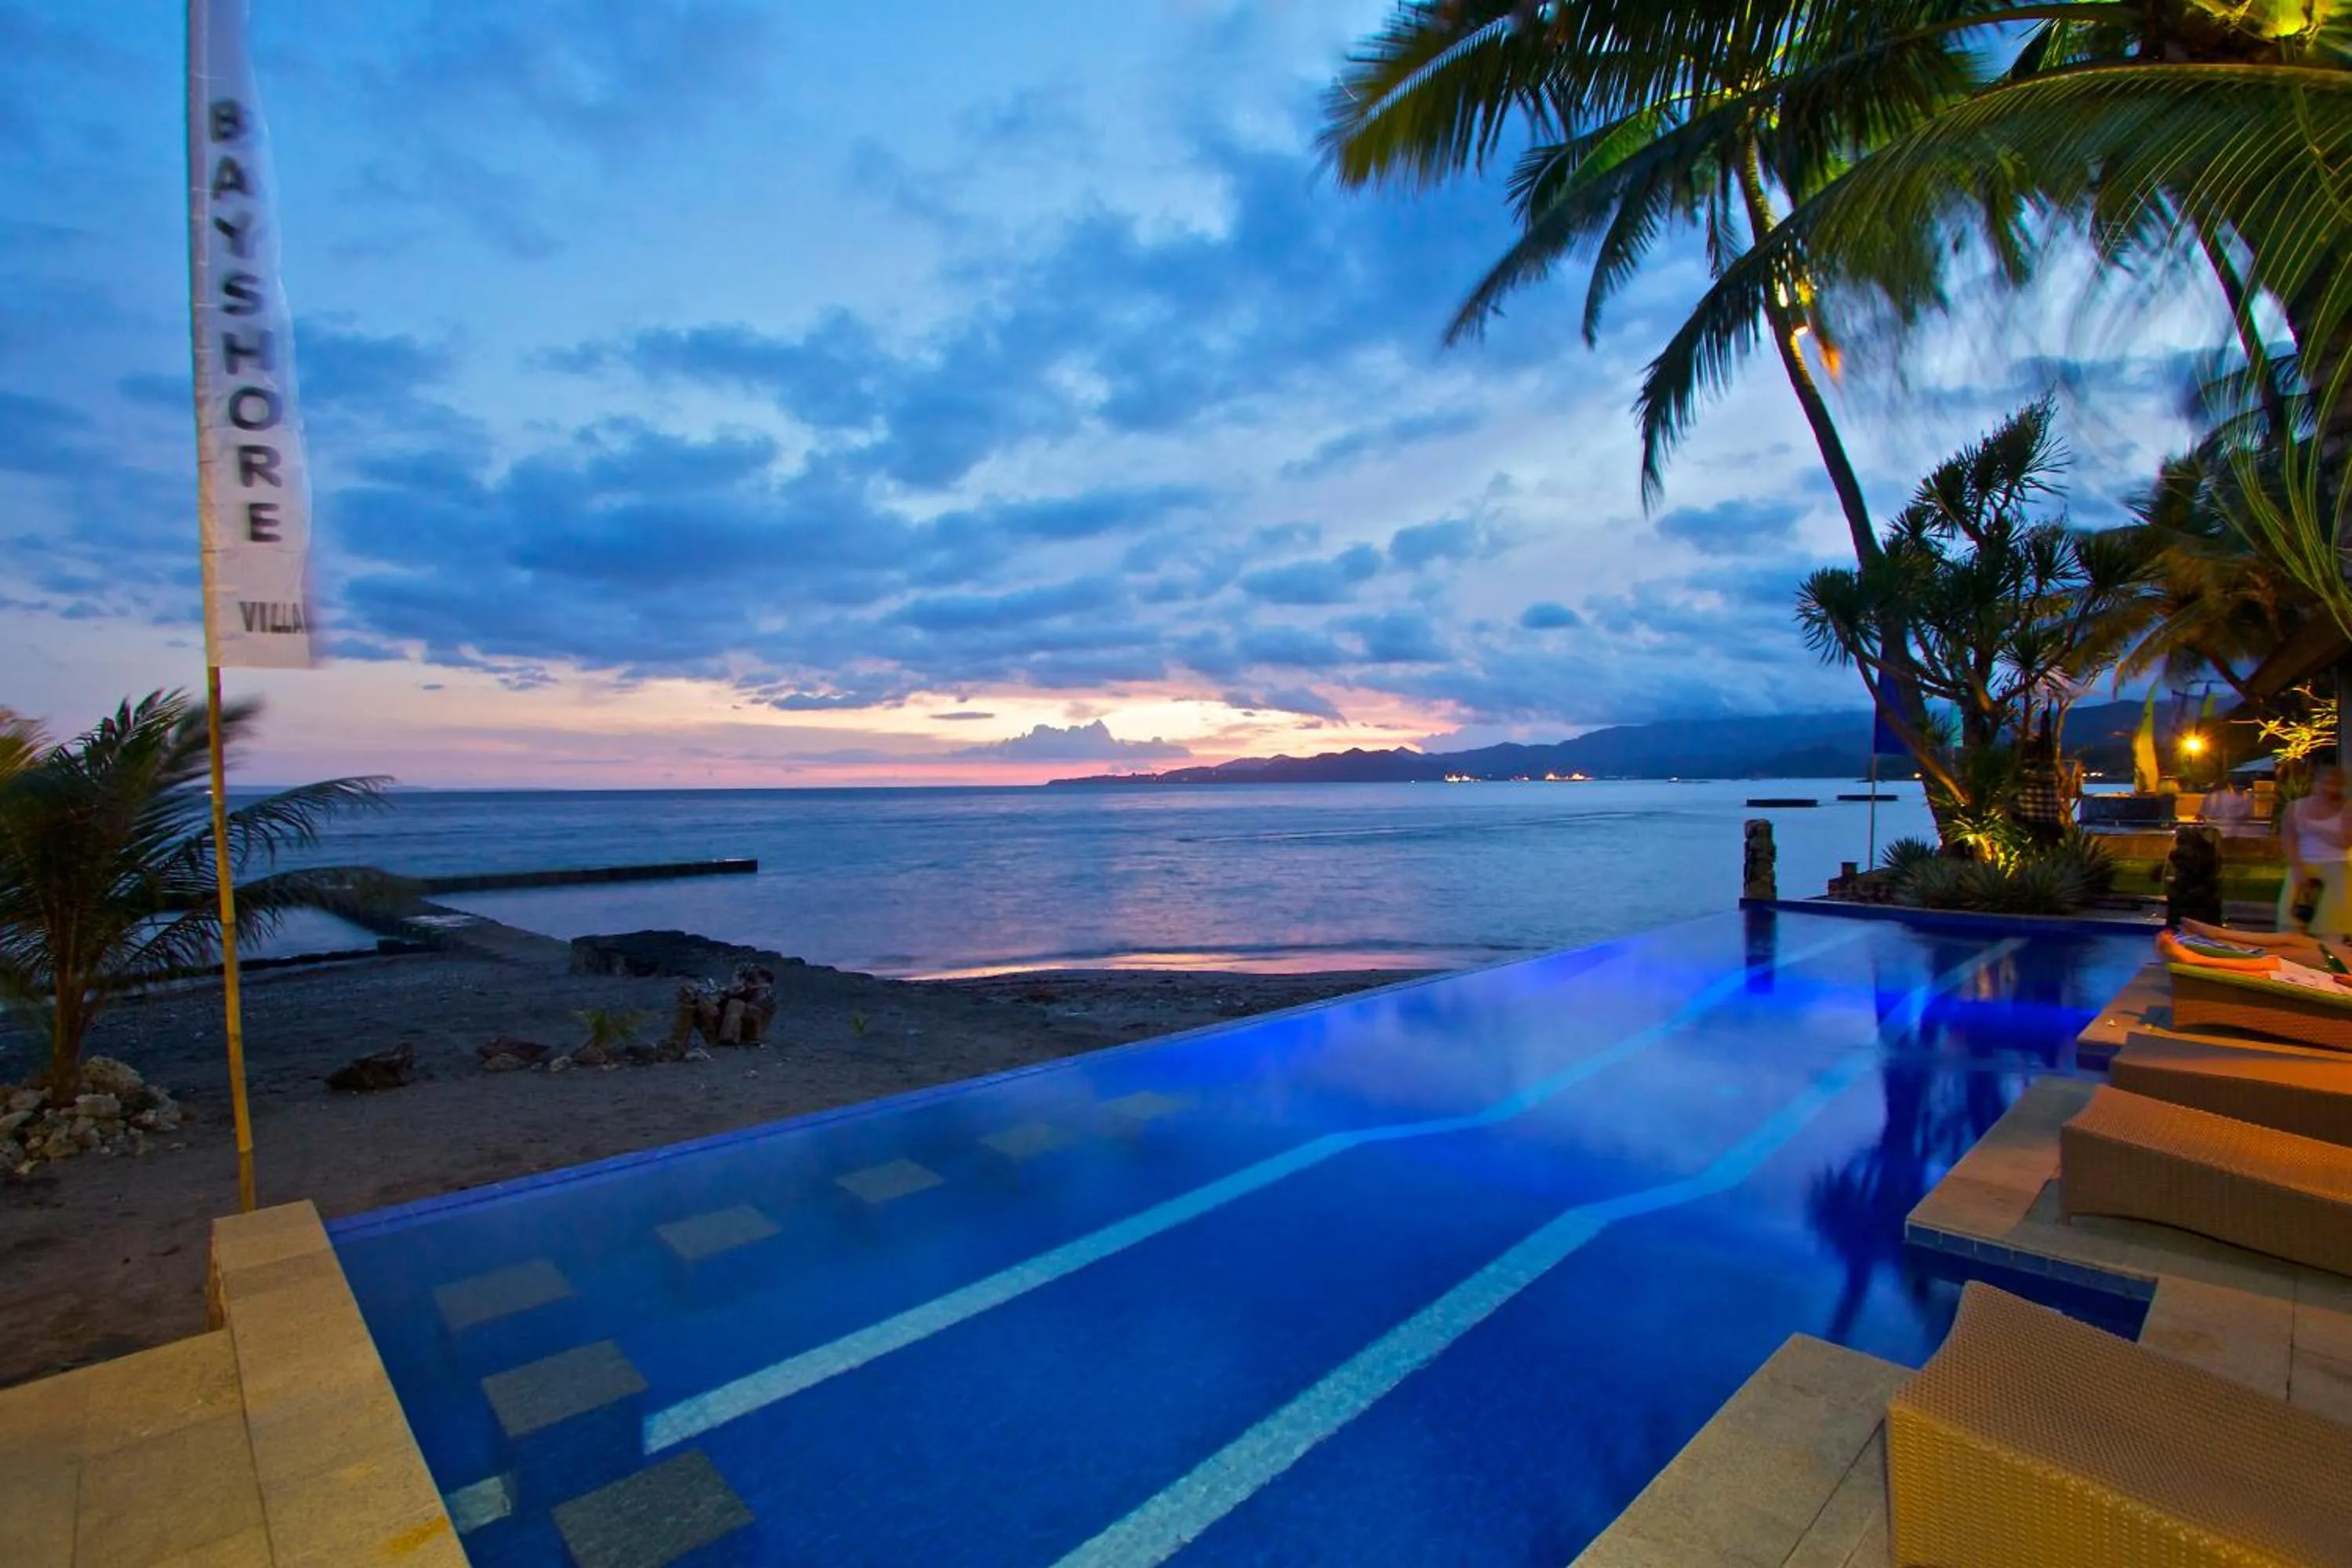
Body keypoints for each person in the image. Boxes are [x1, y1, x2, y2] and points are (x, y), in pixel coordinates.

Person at [2278, 765, 2352, 936]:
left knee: (2331, 925)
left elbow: (2345, 842)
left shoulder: (2347, 808)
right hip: (2303, 866)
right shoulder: (2295, 808)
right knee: (2294, 922)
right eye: (2325, 782)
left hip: (2336, 867)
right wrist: (2297, 867)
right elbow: (2288, 840)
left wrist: (2315, 828)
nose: (2329, 788)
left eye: (2335, 784)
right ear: (2315, 784)